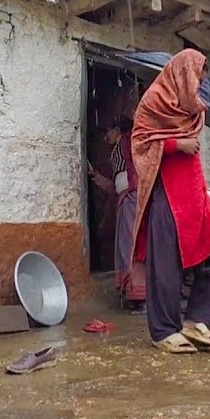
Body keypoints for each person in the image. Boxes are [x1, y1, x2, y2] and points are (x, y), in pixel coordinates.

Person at [130, 49, 210, 354]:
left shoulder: (193, 108)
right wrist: (176, 144)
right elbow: (140, 142)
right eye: (196, 79)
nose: (198, 86)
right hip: (166, 191)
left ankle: (197, 320)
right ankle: (164, 331)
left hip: (193, 189)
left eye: (200, 82)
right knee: (165, 263)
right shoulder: (154, 101)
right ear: (183, 74)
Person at [88, 118, 145, 311]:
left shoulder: (128, 141)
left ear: (118, 130)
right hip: (124, 199)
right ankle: (131, 292)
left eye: (109, 130)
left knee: (132, 246)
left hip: (132, 197)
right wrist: (94, 175)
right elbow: (113, 188)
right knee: (125, 246)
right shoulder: (118, 152)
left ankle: (139, 295)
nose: (106, 136)